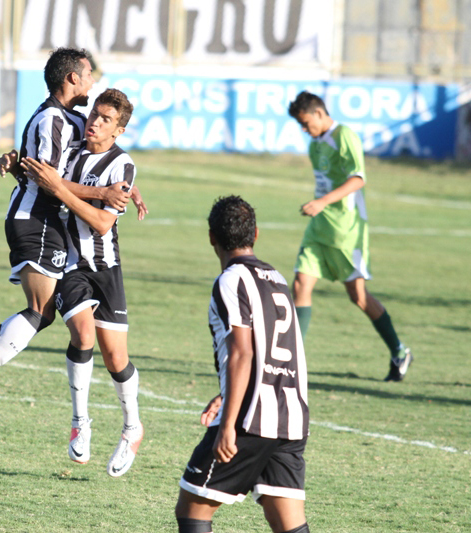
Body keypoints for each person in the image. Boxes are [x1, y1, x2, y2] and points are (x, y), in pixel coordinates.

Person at [0, 48, 146, 422]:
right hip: (35, 219)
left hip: (43, 222)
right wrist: (103, 194)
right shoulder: (53, 117)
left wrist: (125, 188)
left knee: (46, 312)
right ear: (72, 78)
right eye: (89, 76)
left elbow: (63, 165)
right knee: (40, 310)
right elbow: (49, 181)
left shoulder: (69, 118)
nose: (92, 82)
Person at [22, 88, 143, 477]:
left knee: (116, 359)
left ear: (118, 130)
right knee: (82, 335)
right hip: (71, 264)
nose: (93, 122)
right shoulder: (72, 150)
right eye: (94, 114)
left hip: (106, 268)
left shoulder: (122, 165)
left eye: (105, 119)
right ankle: (81, 422)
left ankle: (131, 428)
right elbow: (46, 175)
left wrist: (60, 189)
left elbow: (104, 221)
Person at [175, 196, 310, 533]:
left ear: (211, 238)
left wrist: (227, 424)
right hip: (290, 417)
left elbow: (242, 353)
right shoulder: (277, 278)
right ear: (257, 234)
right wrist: (225, 392)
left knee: (192, 509)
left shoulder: (231, 280)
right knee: (287, 520)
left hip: (250, 420)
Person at [287, 91, 413, 382]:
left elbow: (358, 178)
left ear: (319, 113)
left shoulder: (345, 137)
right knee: (301, 284)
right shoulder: (315, 145)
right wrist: (320, 207)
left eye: (306, 123)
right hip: (319, 228)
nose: (304, 129)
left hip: (347, 229)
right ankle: (294, 361)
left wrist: (321, 202)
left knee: (357, 296)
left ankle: (399, 350)